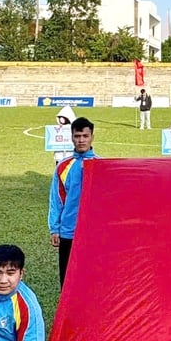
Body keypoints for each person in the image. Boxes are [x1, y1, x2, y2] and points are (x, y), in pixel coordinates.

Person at [50, 117, 99, 287]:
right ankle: (68, 314)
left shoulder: (101, 165)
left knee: (93, 277)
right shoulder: (63, 166)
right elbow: (56, 200)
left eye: (85, 136)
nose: (81, 140)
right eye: (77, 136)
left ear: (92, 136)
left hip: (94, 231)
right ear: (71, 137)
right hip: (68, 231)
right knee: (67, 280)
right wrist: (55, 229)